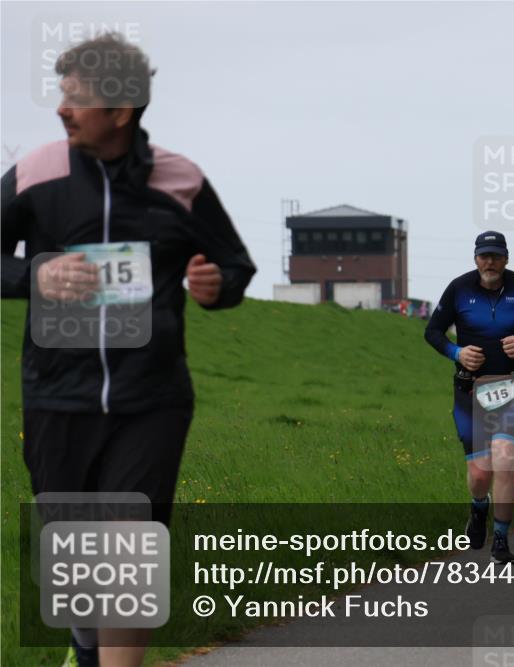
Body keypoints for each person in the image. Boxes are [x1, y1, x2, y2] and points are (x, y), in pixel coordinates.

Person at [1, 34, 256, 667]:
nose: (62, 109)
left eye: (76, 98)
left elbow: (234, 264)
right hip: (58, 396)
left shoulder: (181, 180)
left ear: (120, 110)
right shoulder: (37, 174)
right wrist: (37, 276)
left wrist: (216, 286)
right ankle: (85, 646)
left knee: (130, 552)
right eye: (61, 95)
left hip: (152, 398)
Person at [424, 231, 514, 564]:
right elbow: (432, 331)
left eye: (496, 256)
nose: (490, 262)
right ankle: (478, 507)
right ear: (475, 258)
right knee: (480, 474)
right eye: (484, 256)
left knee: (506, 458)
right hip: (471, 390)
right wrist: (456, 352)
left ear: (506, 259)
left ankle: (500, 539)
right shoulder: (459, 288)